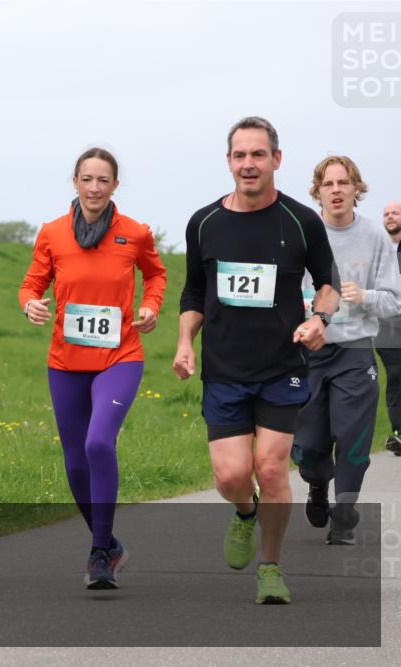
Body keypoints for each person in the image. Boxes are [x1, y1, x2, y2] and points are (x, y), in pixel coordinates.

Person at [173, 117, 339, 604]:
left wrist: (319, 320)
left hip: (281, 368)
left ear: (276, 160)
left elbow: (327, 285)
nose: (249, 164)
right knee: (230, 476)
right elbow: (194, 291)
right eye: (240, 155)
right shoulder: (203, 223)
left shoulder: (301, 221)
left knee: (270, 468)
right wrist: (185, 342)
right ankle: (245, 513)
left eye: (258, 154)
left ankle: (270, 567)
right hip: (224, 371)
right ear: (229, 162)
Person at [19, 147, 166, 589]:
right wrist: (30, 305)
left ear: (115, 185)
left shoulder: (135, 233)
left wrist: (150, 305)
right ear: (76, 183)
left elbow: (156, 275)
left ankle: (100, 552)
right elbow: (31, 283)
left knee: (99, 443)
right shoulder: (53, 233)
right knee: (75, 462)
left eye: (103, 180)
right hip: (66, 361)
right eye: (87, 179)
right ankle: (109, 542)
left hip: (120, 356)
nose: (95, 188)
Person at [292, 158, 401, 545]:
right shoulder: (302, 232)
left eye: (344, 183)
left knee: (354, 438)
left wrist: (365, 296)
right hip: (308, 353)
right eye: (328, 184)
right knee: (308, 446)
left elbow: (394, 301)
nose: (336, 190)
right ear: (317, 190)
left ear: (357, 188)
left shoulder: (374, 237)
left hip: (355, 350)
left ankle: (344, 514)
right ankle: (317, 484)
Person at [376, 201, 401, 456]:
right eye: (386, 214)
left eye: (395, 213)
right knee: (395, 374)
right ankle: (398, 431)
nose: (390, 217)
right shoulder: (380, 251)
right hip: (387, 324)